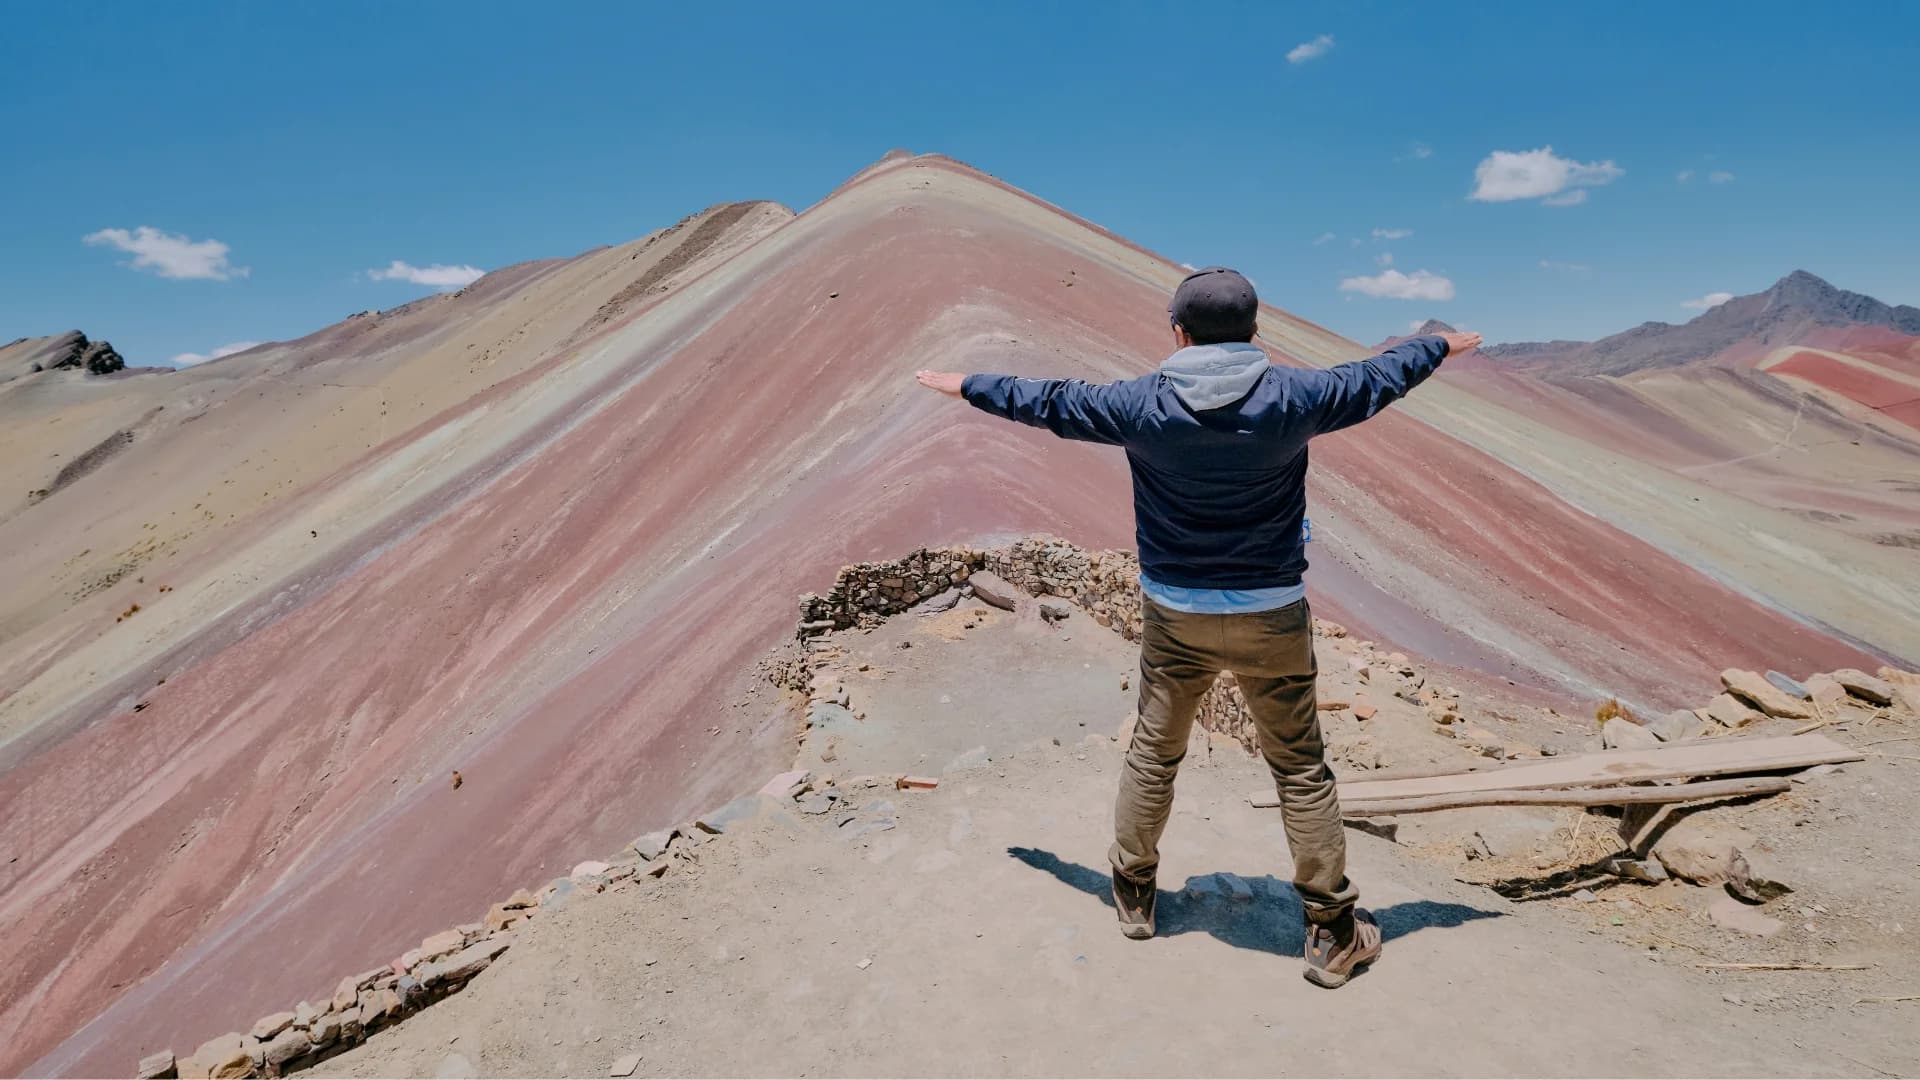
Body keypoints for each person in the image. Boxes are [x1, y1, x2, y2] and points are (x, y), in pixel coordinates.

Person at [916, 266, 1479, 988]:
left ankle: (1134, 893)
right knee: (1300, 767)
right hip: (1270, 615)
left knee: (1154, 752)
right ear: (1255, 330)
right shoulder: (1296, 398)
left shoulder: (1136, 405)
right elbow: (1379, 376)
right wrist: (1436, 347)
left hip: (1175, 613)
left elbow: (1046, 402)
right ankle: (1333, 931)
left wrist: (965, 384)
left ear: (1178, 333)